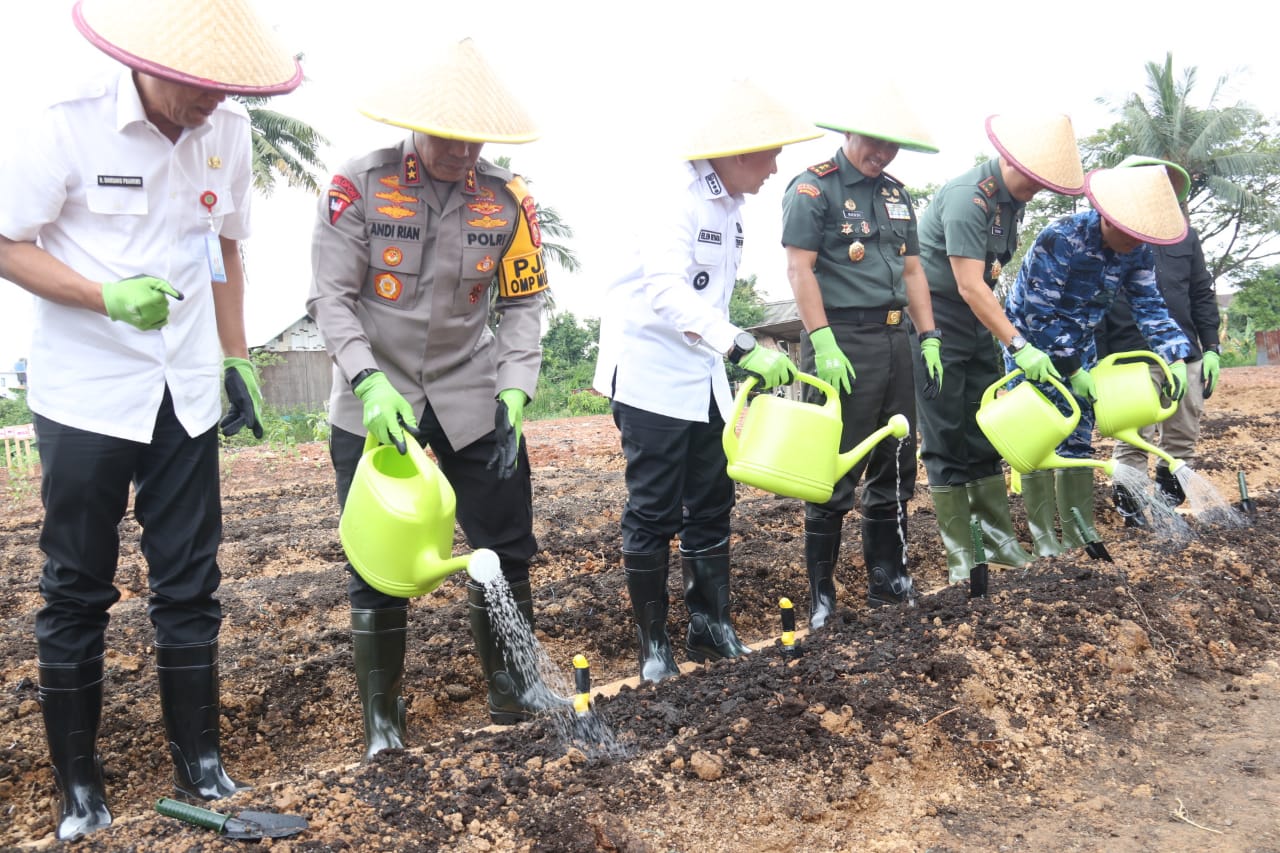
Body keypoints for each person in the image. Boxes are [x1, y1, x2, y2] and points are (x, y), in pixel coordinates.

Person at [0, 0, 300, 839]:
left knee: (190, 580)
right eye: (199, 85)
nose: (213, 100)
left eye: (226, 88)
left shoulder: (227, 131)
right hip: (88, 391)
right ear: (147, 61)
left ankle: (200, 764)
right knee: (77, 587)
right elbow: (5, 239)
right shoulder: (67, 120)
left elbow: (225, 244)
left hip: (187, 389)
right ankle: (79, 788)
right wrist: (102, 295)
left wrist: (236, 352)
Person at [307, 38, 550, 746]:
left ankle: (516, 691)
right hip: (374, 397)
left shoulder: (510, 200)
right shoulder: (359, 185)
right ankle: (384, 723)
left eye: (476, 140)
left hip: (473, 391)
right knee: (380, 557)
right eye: (449, 137)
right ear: (416, 124)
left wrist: (515, 390)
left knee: (505, 543)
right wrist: (367, 379)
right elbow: (330, 298)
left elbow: (525, 305)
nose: (462, 152)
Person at [592, 80, 815, 683]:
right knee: (654, 510)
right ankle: (654, 646)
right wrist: (743, 343)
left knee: (713, 501)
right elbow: (666, 290)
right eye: (771, 156)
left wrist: (728, 345)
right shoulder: (676, 195)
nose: (775, 169)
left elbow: (708, 297)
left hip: (702, 375)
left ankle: (709, 627)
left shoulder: (732, 206)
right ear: (741, 151)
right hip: (649, 375)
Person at [780, 89, 943, 627]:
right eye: (875, 142)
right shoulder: (813, 187)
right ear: (849, 133)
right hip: (841, 344)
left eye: (892, 145)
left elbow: (914, 271)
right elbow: (800, 269)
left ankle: (888, 578)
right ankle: (821, 596)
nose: (884, 153)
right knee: (831, 467)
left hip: (897, 340)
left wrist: (929, 336)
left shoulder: (898, 195)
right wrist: (820, 339)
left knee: (896, 460)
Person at [914, 115, 1085, 581]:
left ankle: (999, 540)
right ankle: (961, 556)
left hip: (976, 320)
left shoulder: (1012, 202)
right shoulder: (967, 199)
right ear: (1011, 160)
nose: (1039, 188)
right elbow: (969, 284)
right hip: (938, 320)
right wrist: (1019, 344)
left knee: (984, 427)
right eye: (1034, 177)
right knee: (946, 432)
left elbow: (986, 281)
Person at [1002, 165, 1193, 555]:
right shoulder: (1061, 238)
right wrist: (1071, 370)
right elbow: (1039, 314)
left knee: (1077, 440)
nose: (1133, 241)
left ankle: (1078, 530)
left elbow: (1148, 305)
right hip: (1033, 351)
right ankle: (1043, 538)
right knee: (1037, 437)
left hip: (1081, 347)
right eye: (1127, 231)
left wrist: (1175, 354)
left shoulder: (1137, 251)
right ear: (1107, 216)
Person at [1096, 156, 1220, 523]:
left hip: (1185, 353)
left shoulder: (1185, 235)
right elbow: (1095, 303)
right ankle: (1132, 513)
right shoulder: (1109, 236)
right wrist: (1099, 361)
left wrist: (1211, 347)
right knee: (1132, 437)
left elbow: (1200, 292)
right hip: (1128, 355)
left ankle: (1167, 509)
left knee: (1182, 436)